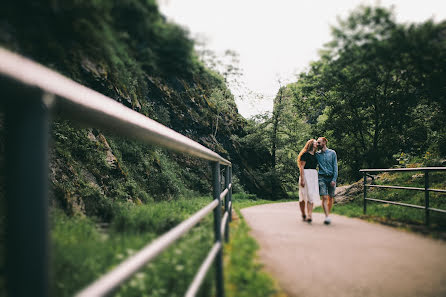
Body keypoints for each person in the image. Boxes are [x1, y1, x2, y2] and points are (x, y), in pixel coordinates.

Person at [316, 137, 338, 224]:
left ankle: (327, 214)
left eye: (319, 142)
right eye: (317, 143)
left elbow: (335, 167)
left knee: (330, 197)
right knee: (324, 197)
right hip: (322, 178)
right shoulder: (317, 154)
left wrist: (334, 179)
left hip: (331, 178)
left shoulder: (332, 153)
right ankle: (327, 216)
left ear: (324, 142)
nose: (317, 144)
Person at [297, 139, 320, 223]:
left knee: (311, 195)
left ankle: (309, 215)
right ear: (311, 144)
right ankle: (303, 213)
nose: (317, 143)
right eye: (315, 142)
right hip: (305, 174)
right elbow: (301, 167)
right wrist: (302, 179)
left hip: (313, 175)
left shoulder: (316, 155)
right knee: (303, 197)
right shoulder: (305, 154)